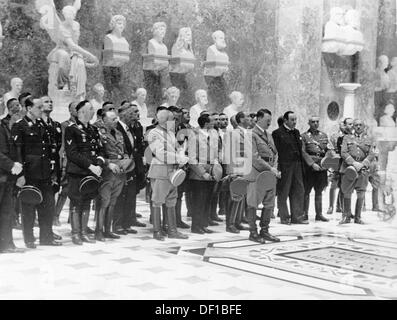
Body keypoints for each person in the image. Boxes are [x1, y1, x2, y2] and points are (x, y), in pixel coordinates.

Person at [11, 98, 62, 248]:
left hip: (45, 172)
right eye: (38, 107)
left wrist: (53, 172)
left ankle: (46, 237)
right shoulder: (20, 126)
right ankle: (29, 238)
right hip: (29, 173)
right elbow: (17, 151)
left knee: (47, 205)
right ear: (28, 108)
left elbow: (49, 150)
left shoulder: (43, 126)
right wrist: (20, 175)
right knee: (28, 206)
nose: (41, 109)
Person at [64, 100, 105, 245]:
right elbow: (72, 153)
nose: (93, 111)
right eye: (91, 109)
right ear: (81, 112)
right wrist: (90, 166)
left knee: (87, 201)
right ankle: (75, 233)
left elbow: (100, 150)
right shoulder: (72, 129)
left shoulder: (93, 130)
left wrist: (99, 164)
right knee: (76, 201)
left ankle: (83, 232)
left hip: (92, 172)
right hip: (77, 172)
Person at [146, 109, 189, 240]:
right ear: (164, 120)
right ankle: (157, 231)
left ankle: (172, 230)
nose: (175, 122)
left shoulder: (170, 133)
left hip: (172, 171)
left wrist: (181, 153)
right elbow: (160, 153)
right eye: (173, 119)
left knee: (171, 199)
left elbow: (177, 146)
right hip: (160, 170)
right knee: (158, 200)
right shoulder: (153, 133)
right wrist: (178, 158)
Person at [245, 109, 280, 243]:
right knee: (253, 203)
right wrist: (270, 168)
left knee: (269, 203)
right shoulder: (251, 134)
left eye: (270, 120)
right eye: (267, 120)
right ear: (259, 119)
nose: (269, 123)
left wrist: (274, 168)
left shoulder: (269, 135)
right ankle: (253, 232)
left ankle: (264, 230)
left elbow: (275, 153)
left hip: (270, 174)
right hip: (256, 173)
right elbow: (254, 157)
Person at [96, 110, 130, 241]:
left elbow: (125, 151)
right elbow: (100, 153)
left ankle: (108, 230)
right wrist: (109, 163)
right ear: (104, 120)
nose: (116, 121)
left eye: (116, 118)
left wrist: (126, 162)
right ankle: (99, 231)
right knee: (104, 201)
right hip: (108, 171)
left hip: (120, 171)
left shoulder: (119, 133)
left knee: (113, 201)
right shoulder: (99, 133)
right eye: (112, 119)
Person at [272, 111, 311, 225]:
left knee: (299, 190)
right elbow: (275, 152)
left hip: (297, 165)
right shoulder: (277, 133)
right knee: (283, 191)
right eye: (292, 120)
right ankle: (284, 217)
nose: (294, 122)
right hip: (285, 165)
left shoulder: (296, 132)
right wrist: (277, 168)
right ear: (285, 120)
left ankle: (297, 217)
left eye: (295, 120)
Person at [113, 104, 146, 236]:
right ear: (123, 114)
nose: (135, 115)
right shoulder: (117, 127)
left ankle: (126, 224)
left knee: (130, 195)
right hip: (122, 167)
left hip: (132, 167)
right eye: (132, 113)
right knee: (121, 197)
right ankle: (117, 224)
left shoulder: (131, 128)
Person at [339, 119, 375, 224]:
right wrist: (354, 163)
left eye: (360, 125)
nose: (358, 127)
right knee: (347, 192)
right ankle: (346, 216)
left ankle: (358, 217)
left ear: (364, 127)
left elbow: (372, 154)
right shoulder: (347, 138)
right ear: (353, 127)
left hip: (363, 169)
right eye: (356, 125)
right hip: (349, 168)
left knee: (361, 192)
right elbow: (344, 152)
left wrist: (363, 164)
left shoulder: (369, 139)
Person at [188, 114, 219, 234]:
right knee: (198, 201)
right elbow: (192, 159)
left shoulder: (213, 135)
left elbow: (215, 153)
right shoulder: (194, 137)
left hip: (211, 172)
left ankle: (203, 224)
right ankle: (196, 226)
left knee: (207, 200)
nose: (214, 123)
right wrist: (202, 173)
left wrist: (216, 166)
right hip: (198, 175)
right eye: (212, 121)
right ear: (206, 124)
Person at [0, 98, 24, 253]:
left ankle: (7, 244)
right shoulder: (2, 126)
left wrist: (19, 170)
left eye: (18, 106)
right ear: (7, 109)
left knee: (7, 212)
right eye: (13, 106)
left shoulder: (16, 127)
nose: (17, 108)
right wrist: (11, 165)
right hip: (2, 174)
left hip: (9, 177)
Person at [40, 96, 63, 240]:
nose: (50, 103)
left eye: (51, 101)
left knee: (50, 199)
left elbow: (58, 145)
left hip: (54, 166)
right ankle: (44, 233)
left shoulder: (56, 125)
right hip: (41, 167)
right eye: (46, 102)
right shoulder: (37, 124)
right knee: (42, 201)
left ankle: (48, 231)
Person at [301, 116, 332, 222]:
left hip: (321, 166)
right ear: (308, 123)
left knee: (319, 191)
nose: (315, 124)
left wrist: (326, 161)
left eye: (317, 122)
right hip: (309, 167)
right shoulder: (304, 136)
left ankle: (319, 214)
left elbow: (329, 150)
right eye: (313, 122)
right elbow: (303, 152)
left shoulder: (324, 136)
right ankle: (304, 214)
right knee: (306, 191)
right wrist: (311, 164)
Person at [54, 102, 78, 226]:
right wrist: (63, 162)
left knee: (76, 191)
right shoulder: (65, 125)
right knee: (65, 190)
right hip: (68, 160)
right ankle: (56, 215)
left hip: (80, 162)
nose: (77, 110)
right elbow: (63, 145)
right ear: (70, 111)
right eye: (75, 108)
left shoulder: (83, 125)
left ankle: (72, 217)